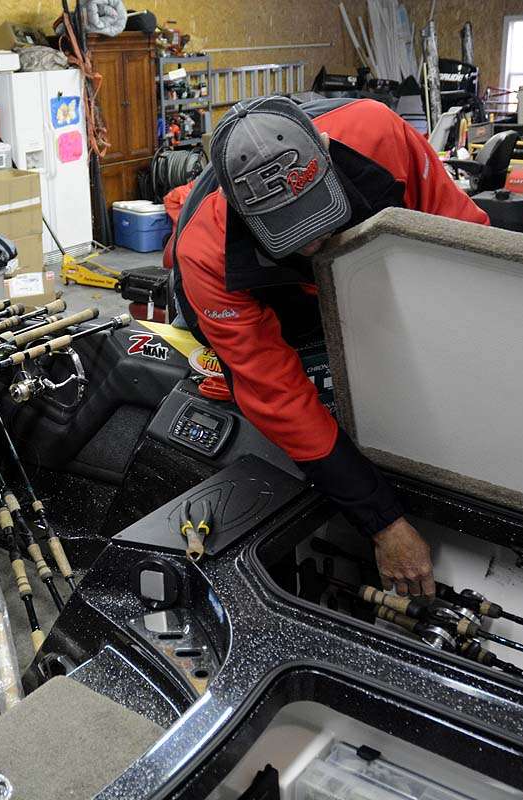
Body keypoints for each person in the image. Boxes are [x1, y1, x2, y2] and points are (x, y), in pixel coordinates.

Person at [168, 95, 490, 597]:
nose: (315, 244)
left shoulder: (378, 134)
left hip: (352, 250)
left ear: (324, 155)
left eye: (318, 220)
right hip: (269, 294)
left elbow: (466, 244)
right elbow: (280, 397)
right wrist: (382, 521)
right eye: (294, 235)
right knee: (312, 402)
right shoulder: (206, 256)